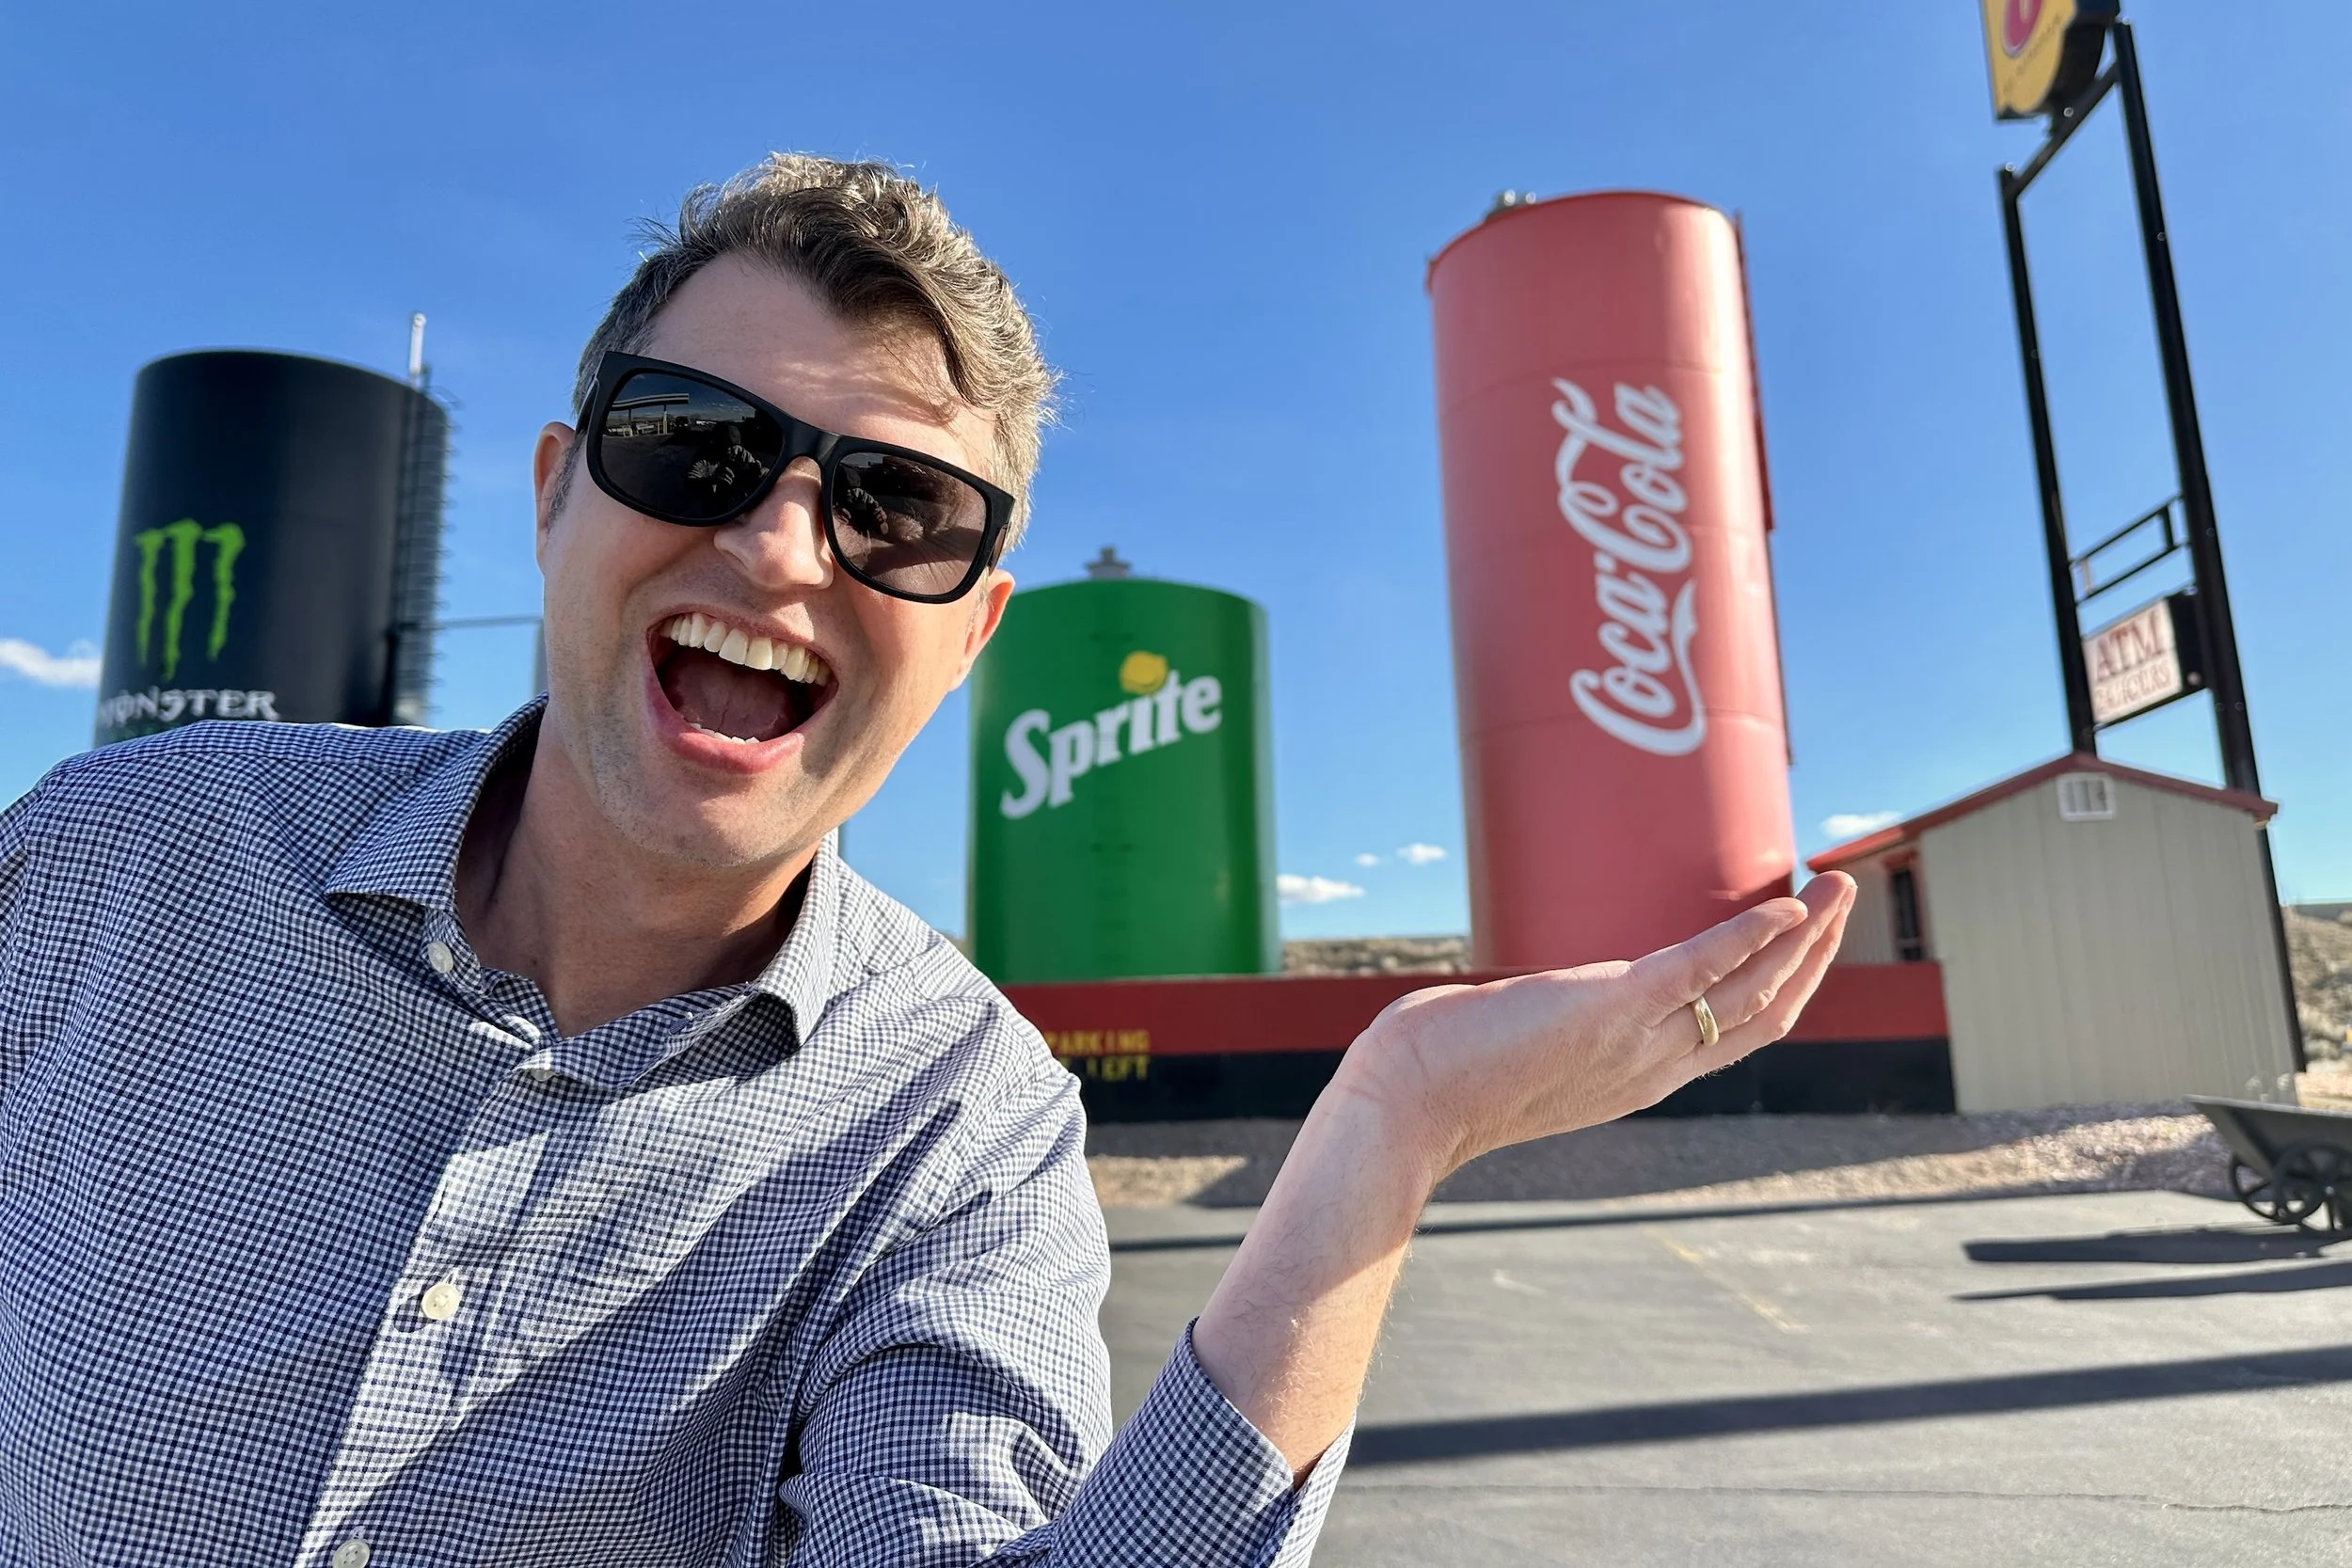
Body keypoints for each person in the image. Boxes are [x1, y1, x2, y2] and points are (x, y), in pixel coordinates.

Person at [0, 153, 1854, 1565]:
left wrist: (1383, 1142)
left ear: (973, 634)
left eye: (900, 506)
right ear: (556, 487)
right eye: (695, 445)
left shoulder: (957, 1128)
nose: (788, 545)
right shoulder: (120, 865)